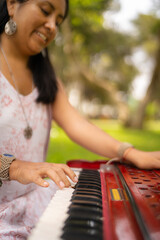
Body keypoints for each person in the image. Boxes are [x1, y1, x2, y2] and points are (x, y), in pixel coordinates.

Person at [0, 0, 160, 239]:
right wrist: (14, 167)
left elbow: (77, 125)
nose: (52, 25)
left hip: (36, 206)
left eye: (59, 21)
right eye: (45, 11)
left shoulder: (45, 75)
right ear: (12, 4)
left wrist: (129, 153)